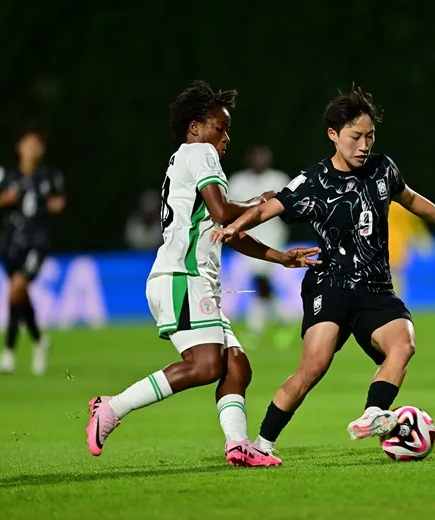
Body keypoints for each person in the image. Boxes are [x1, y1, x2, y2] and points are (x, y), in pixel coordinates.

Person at [213, 84, 435, 461]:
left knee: (403, 344)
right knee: (313, 367)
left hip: (376, 288)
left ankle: (374, 413)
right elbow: (268, 208)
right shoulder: (313, 181)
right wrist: (235, 226)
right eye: (355, 136)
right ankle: (260, 445)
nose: (364, 145)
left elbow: (410, 199)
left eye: (370, 136)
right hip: (330, 286)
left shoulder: (383, 168)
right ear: (334, 135)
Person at [85, 80, 320, 467]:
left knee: (236, 367)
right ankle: (112, 408)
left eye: (228, 130)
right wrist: (263, 202)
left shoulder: (186, 158)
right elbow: (224, 213)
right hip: (183, 276)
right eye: (220, 127)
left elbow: (226, 230)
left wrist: (279, 257)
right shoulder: (201, 153)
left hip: (194, 279)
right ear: (195, 127)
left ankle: (238, 444)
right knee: (207, 366)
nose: (226, 137)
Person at [0, 125, 66, 376]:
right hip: (9, 244)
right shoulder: (4, 175)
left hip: (36, 244)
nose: (32, 149)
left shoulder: (49, 176)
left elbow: (60, 202)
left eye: (36, 144)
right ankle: (40, 341)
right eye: (28, 143)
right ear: (19, 147)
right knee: (20, 295)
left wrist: (54, 205)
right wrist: (2, 200)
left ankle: (8, 351)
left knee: (17, 287)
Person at [228, 147, 291, 339]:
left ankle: (257, 324)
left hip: (272, 235)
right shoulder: (238, 181)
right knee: (261, 280)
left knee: (261, 278)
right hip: (247, 236)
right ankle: (282, 315)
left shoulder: (279, 179)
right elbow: (229, 207)